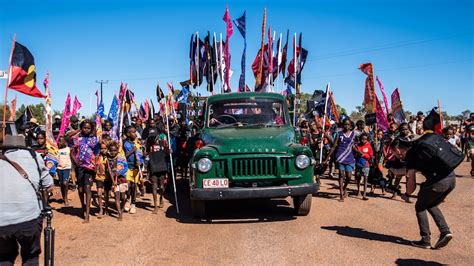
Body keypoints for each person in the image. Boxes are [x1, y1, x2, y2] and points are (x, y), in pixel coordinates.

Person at [391, 137, 455, 249]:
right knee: (431, 203)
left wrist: (406, 193)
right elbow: (412, 169)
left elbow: (411, 187)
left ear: (397, 150)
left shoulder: (410, 155)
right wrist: (397, 171)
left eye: (394, 153)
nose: (395, 156)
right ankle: (445, 231)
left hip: (438, 182)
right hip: (451, 179)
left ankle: (425, 240)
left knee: (420, 206)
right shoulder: (419, 150)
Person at [0, 136, 54, 265]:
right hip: (28, 218)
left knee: (4, 258)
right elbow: (48, 185)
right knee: (31, 256)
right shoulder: (35, 157)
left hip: (1, 222)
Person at [71, 120, 99, 223]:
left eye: (88, 128)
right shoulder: (77, 139)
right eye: (84, 127)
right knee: (81, 190)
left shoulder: (95, 140)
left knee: (87, 188)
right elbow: (71, 152)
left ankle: (87, 214)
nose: (86, 129)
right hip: (80, 167)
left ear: (91, 129)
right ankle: (83, 207)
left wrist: (96, 165)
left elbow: (97, 153)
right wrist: (75, 161)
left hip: (89, 167)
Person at [325, 118, 356, 202]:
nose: (347, 126)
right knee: (341, 175)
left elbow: (354, 146)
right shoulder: (339, 134)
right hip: (340, 156)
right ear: (343, 125)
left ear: (350, 125)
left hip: (349, 157)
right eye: (345, 124)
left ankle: (344, 188)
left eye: (348, 124)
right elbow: (334, 146)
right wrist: (326, 159)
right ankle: (341, 193)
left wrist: (359, 152)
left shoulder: (353, 134)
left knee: (349, 177)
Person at [123, 126, 144, 214]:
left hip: (136, 168)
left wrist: (141, 162)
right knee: (128, 186)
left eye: (135, 132)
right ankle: (127, 200)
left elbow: (141, 155)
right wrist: (132, 150)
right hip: (128, 167)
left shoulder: (138, 143)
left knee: (134, 186)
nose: (135, 134)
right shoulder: (125, 144)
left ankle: (133, 203)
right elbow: (123, 157)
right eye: (133, 132)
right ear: (128, 134)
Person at [106, 141, 128, 221]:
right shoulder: (108, 160)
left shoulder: (121, 157)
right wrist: (113, 181)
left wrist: (119, 173)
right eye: (111, 151)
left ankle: (122, 208)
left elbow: (125, 167)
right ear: (109, 150)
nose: (113, 152)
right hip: (114, 182)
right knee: (117, 198)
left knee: (123, 197)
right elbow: (110, 171)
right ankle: (119, 213)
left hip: (122, 180)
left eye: (115, 150)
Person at [147, 133, 170, 213]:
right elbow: (146, 155)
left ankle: (161, 197)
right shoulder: (149, 147)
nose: (158, 140)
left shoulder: (162, 144)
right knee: (154, 186)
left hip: (162, 167)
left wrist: (169, 150)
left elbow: (167, 153)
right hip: (153, 168)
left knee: (162, 187)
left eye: (158, 139)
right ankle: (155, 206)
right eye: (156, 139)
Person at [354, 133, 373, 200]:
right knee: (358, 178)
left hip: (366, 165)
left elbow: (370, 156)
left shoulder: (369, 146)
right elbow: (355, 154)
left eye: (365, 139)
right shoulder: (357, 146)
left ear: (367, 139)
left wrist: (364, 155)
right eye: (362, 139)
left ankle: (364, 194)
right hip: (358, 164)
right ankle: (358, 191)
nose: (363, 140)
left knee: (365, 179)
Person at [94, 140, 109, 218]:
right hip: (99, 177)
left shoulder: (110, 157)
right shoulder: (98, 156)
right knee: (99, 194)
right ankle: (100, 209)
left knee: (106, 194)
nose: (103, 150)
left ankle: (106, 208)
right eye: (102, 148)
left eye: (105, 148)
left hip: (107, 178)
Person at [57, 136, 72, 206]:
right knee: (61, 184)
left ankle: (65, 198)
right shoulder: (57, 150)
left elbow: (72, 156)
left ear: (65, 142)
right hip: (59, 168)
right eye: (58, 141)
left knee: (65, 183)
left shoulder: (68, 149)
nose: (59, 142)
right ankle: (63, 196)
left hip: (67, 168)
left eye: (60, 141)